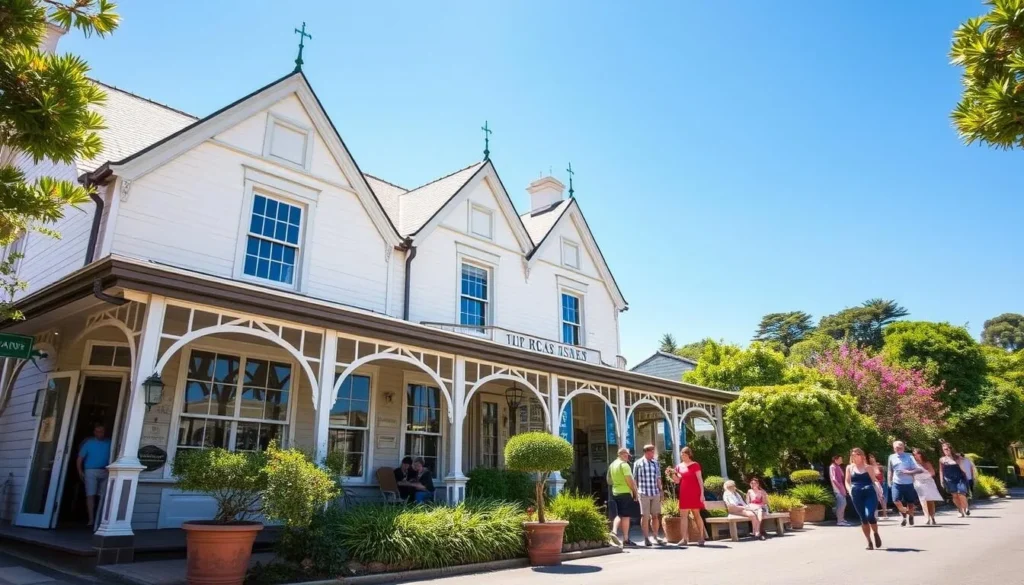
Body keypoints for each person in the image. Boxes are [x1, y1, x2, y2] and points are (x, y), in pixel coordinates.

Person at [666, 446, 705, 547]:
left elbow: (700, 479)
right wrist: (671, 474)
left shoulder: (695, 465)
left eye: (684, 454)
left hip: (695, 492)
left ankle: (701, 537)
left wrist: (702, 493)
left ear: (689, 454)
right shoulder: (679, 466)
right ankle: (684, 539)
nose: (682, 456)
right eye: (681, 455)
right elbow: (677, 481)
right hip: (684, 493)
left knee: (696, 514)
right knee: (683, 516)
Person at [845, 448, 883, 550]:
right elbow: (847, 481)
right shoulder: (849, 468)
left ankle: (875, 533)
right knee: (863, 518)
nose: (854, 456)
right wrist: (849, 490)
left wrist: (879, 490)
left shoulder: (868, 467)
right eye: (853, 455)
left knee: (869, 515)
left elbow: (874, 480)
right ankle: (869, 542)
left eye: (857, 454)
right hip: (856, 493)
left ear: (862, 456)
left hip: (869, 492)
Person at [76, 423, 112, 527]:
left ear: (105, 432)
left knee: (103, 496)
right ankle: (91, 519)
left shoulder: (110, 442)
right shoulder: (89, 443)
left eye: (102, 431)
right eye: (97, 431)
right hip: (90, 471)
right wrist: (80, 471)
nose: (100, 433)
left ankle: (100, 519)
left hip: (106, 470)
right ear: (94, 432)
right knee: (90, 495)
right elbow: (80, 458)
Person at [632, 444, 665, 546]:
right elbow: (635, 479)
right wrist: (635, 492)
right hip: (643, 492)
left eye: (653, 451)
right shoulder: (638, 463)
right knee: (645, 516)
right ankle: (646, 538)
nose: (653, 453)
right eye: (652, 451)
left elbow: (658, 478)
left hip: (655, 492)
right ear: (646, 452)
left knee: (655, 515)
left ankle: (655, 536)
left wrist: (661, 490)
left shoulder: (655, 463)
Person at [607, 447, 638, 547]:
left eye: (627, 454)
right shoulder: (624, 465)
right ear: (619, 454)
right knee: (625, 516)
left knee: (619, 514)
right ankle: (624, 538)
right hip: (625, 492)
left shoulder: (612, 464)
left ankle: (615, 533)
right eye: (625, 454)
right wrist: (634, 492)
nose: (626, 456)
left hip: (615, 492)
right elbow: (629, 480)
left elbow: (609, 480)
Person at [887, 440, 923, 526]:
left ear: (903, 447)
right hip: (896, 482)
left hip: (908, 483)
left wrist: (908, 472)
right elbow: (890, 470)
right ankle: (907, 513)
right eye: (897, 447)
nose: (899, 448)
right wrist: (889, 481)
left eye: (901, 447)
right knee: (896, 500)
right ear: (894, 448)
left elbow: (919, 469)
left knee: (910, 502)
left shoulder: (909, 456)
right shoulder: (891, 457)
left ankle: (910, 516)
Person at [911, 448, 944, 525]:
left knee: (930, 500)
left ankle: (932, 517)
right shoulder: (913, 464)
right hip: (919, 483)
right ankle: (927, 517)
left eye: (917, 454)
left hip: (928, 482)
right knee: (923, 500)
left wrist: (923, 474)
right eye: (914, 454)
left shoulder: (927, 463)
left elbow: (932, 473)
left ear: (921, 454)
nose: (915, 456)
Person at [939, 443, 970, 518]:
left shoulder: (957, 457)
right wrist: (941, 480)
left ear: (951, 449)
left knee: (961, 493)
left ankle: (966, 508)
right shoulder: (942, 459)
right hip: (949, 479)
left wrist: (960, 461)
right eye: (944, 449)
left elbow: (964, 467)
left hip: (960, 478)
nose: (946, 450)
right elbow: (941, 470)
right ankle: (960, 511)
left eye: (948, 448)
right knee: (955, 495)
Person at [829, 454, 851, 526]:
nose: (841, 460)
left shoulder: (837, 466)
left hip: (841, 487)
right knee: (841, 504)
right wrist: (839, 487)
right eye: (840, 459)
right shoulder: (833, 467)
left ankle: (842, 519)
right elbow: (834, 478)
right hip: (838, 488)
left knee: (843, 504)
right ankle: (839, 520)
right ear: (836, 460)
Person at [867, 453, 888, 519]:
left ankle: (885, 514)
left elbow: (882, 475)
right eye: (869, 458)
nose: (871, 459)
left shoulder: (879, 466)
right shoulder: (868, 467)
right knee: (874, 499)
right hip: (874, 484)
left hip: (882, 483)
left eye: (872, 457)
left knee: (883, 499)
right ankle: (875, 515)